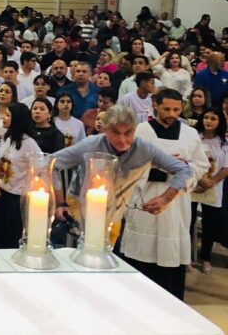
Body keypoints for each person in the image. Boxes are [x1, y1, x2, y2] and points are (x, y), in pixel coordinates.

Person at [52, 106, 193, 278]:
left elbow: (184, 170)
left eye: (128, 133)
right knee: (80, 263)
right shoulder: (91, 144)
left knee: (104, 264)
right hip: (80, 210)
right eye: (115, 132)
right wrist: (60, 203)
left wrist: (165, 198)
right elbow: (50, 164)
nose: (122, 139)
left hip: (116, 213)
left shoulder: (144, 148)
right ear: (105, 129)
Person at [120, 88, 208, 299]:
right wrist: (159, 171)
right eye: (166, 108)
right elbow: (125, 165)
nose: (171, 114)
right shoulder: (141, 131)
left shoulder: (190, 134)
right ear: (155, 105)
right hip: (146, 198)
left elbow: (201, 165)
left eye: (176, 109)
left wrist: (184, 166)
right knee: (142, 259)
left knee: (171, 261)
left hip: (175, 203)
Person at [0, 102, 42, 249]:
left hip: (16, 198)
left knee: (12, 238)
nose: (3, 118)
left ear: (17, 119)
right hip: (0, 194)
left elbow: (39, 168)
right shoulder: (7, 138)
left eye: (8, 115)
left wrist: (27, 188)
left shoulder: (29, 143)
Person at [193, 109, 228, 275]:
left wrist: (210, 183)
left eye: (213, 118)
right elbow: (187, 160)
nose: (209, 121)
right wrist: (199, 180)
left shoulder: (224, 143)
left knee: (209, 226)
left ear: (219, 121)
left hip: (214, 188)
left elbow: (226, 168)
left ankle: (205, 257)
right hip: (193, 185)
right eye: (206, 117)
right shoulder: (194, 138)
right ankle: (186, 257)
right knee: (188, 222)